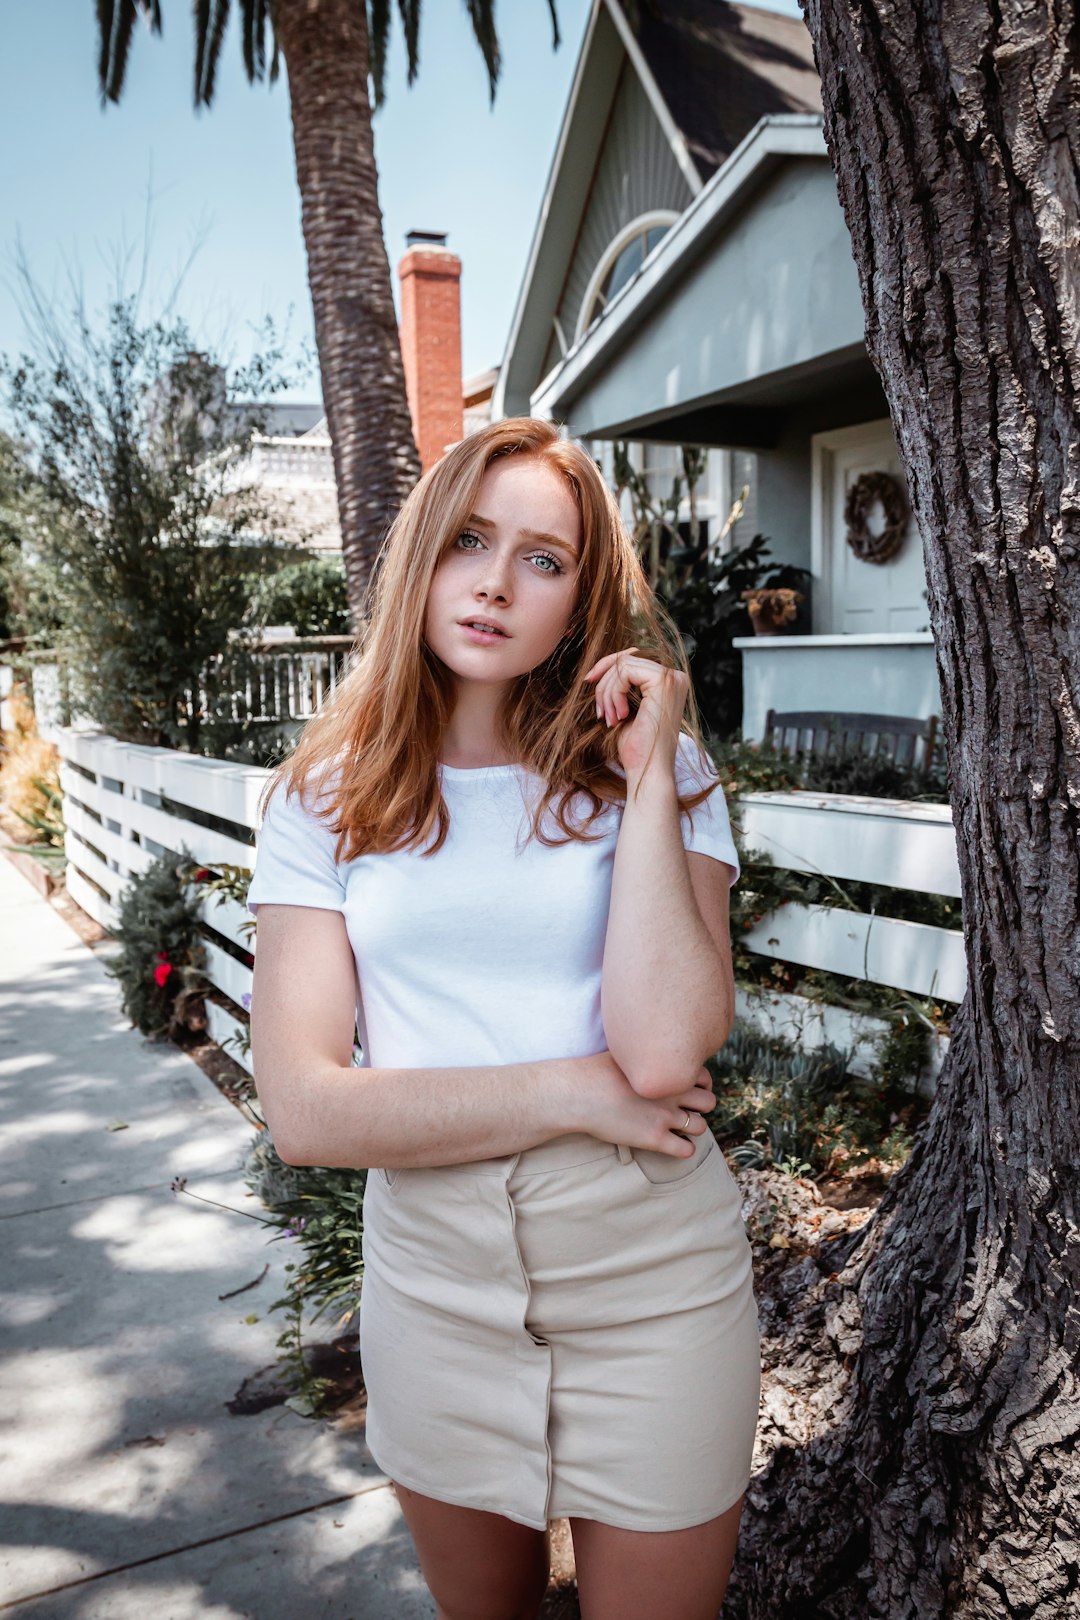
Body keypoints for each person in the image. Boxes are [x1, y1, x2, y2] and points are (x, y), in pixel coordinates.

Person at [246, 417, 760, 1620]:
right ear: (421, 554)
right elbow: (308, 1110)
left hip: (652, 1269)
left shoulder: (663, 775)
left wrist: (644, 781)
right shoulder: (326, 799)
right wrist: (570, 1091)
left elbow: (665, 1047)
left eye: (544, 557)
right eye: (470, 540)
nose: (493, 582)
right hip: (434, 1277)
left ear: (582, 601)